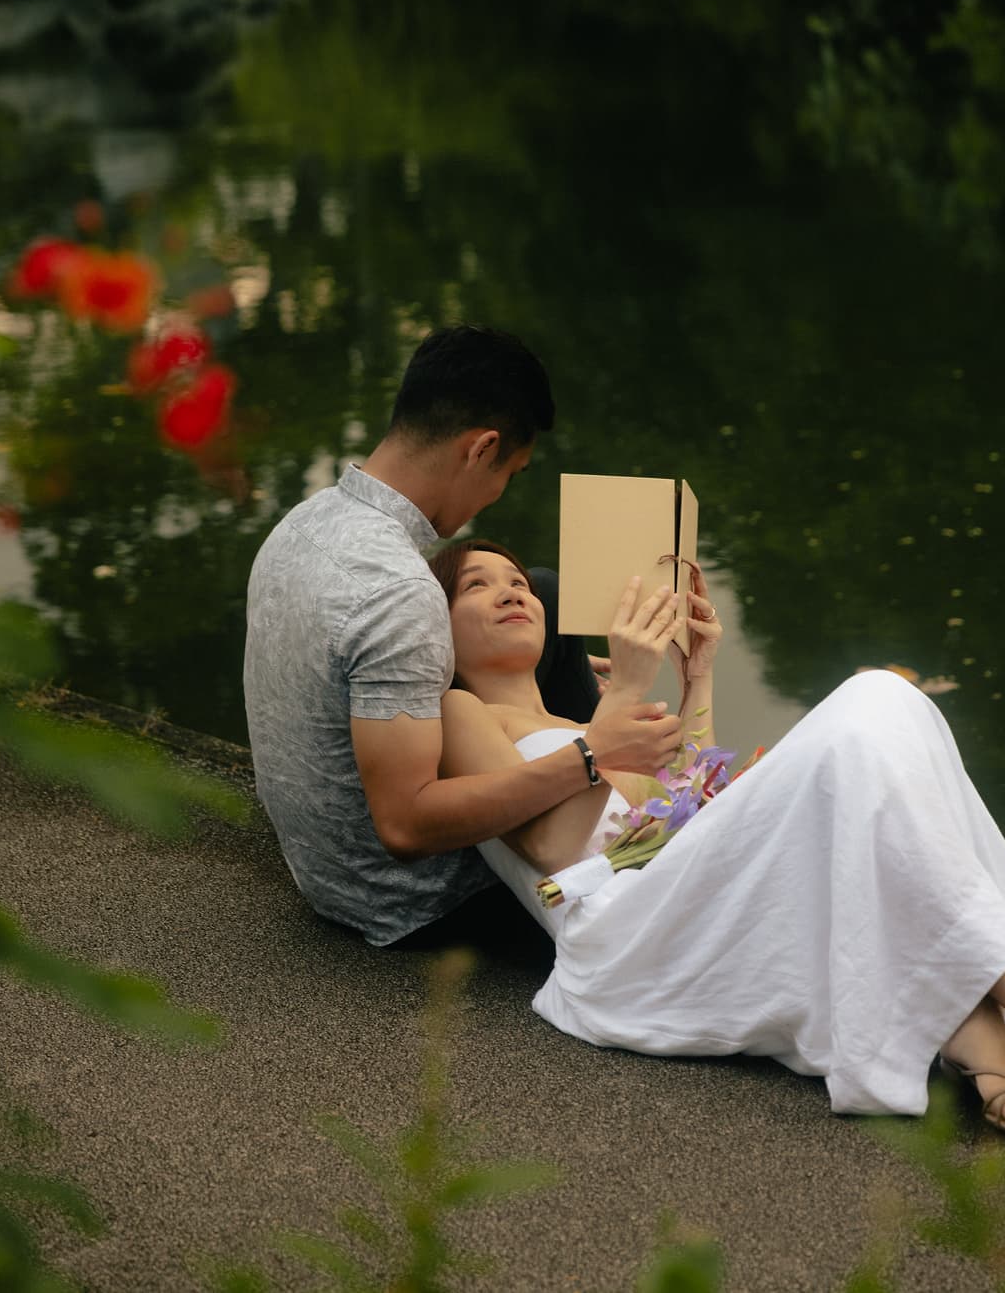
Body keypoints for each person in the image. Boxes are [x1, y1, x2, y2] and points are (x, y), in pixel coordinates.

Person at [430, 539, 1005, 1143]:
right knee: (865, 707)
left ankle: (978, 1029)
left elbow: (683, 813)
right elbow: (553, 849)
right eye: (478, 584)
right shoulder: (465, 713)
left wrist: (697, 675)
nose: (512, 590)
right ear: (440, 628)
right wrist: (629, 692)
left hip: (673, 896)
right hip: (617, 938)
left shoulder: (581, 718)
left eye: (520, 581)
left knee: (891, 706)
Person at [243, 325, 681, 946]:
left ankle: (561, 726)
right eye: (511, 473)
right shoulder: (398, 593)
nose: (498, 496)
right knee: (639, 819)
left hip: (319, 861)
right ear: (481, 449)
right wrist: (594, 751)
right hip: (413, 897)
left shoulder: (304, 521)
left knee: (546, 593)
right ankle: (603, 763)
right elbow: (406, 828)